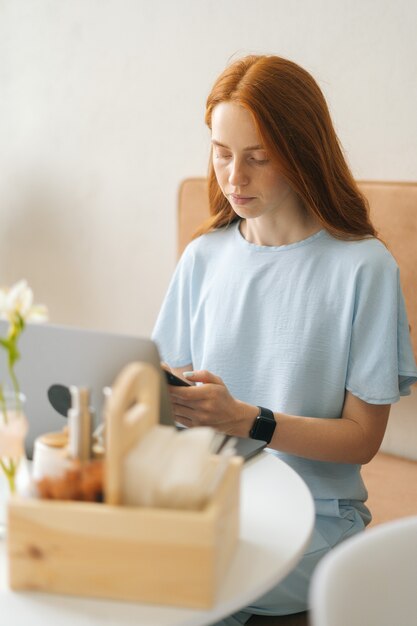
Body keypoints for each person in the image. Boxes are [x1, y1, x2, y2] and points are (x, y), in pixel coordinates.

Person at [152, 55, 417, 623]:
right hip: (211, 501)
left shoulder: (362, 268)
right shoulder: (204, 256)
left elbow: (362, 439)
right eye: (222, 154)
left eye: (258, 158)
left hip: (314, 519)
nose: (233, 178)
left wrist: (246, 419)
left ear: (301, 154)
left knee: (180, 584)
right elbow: (164, 400)